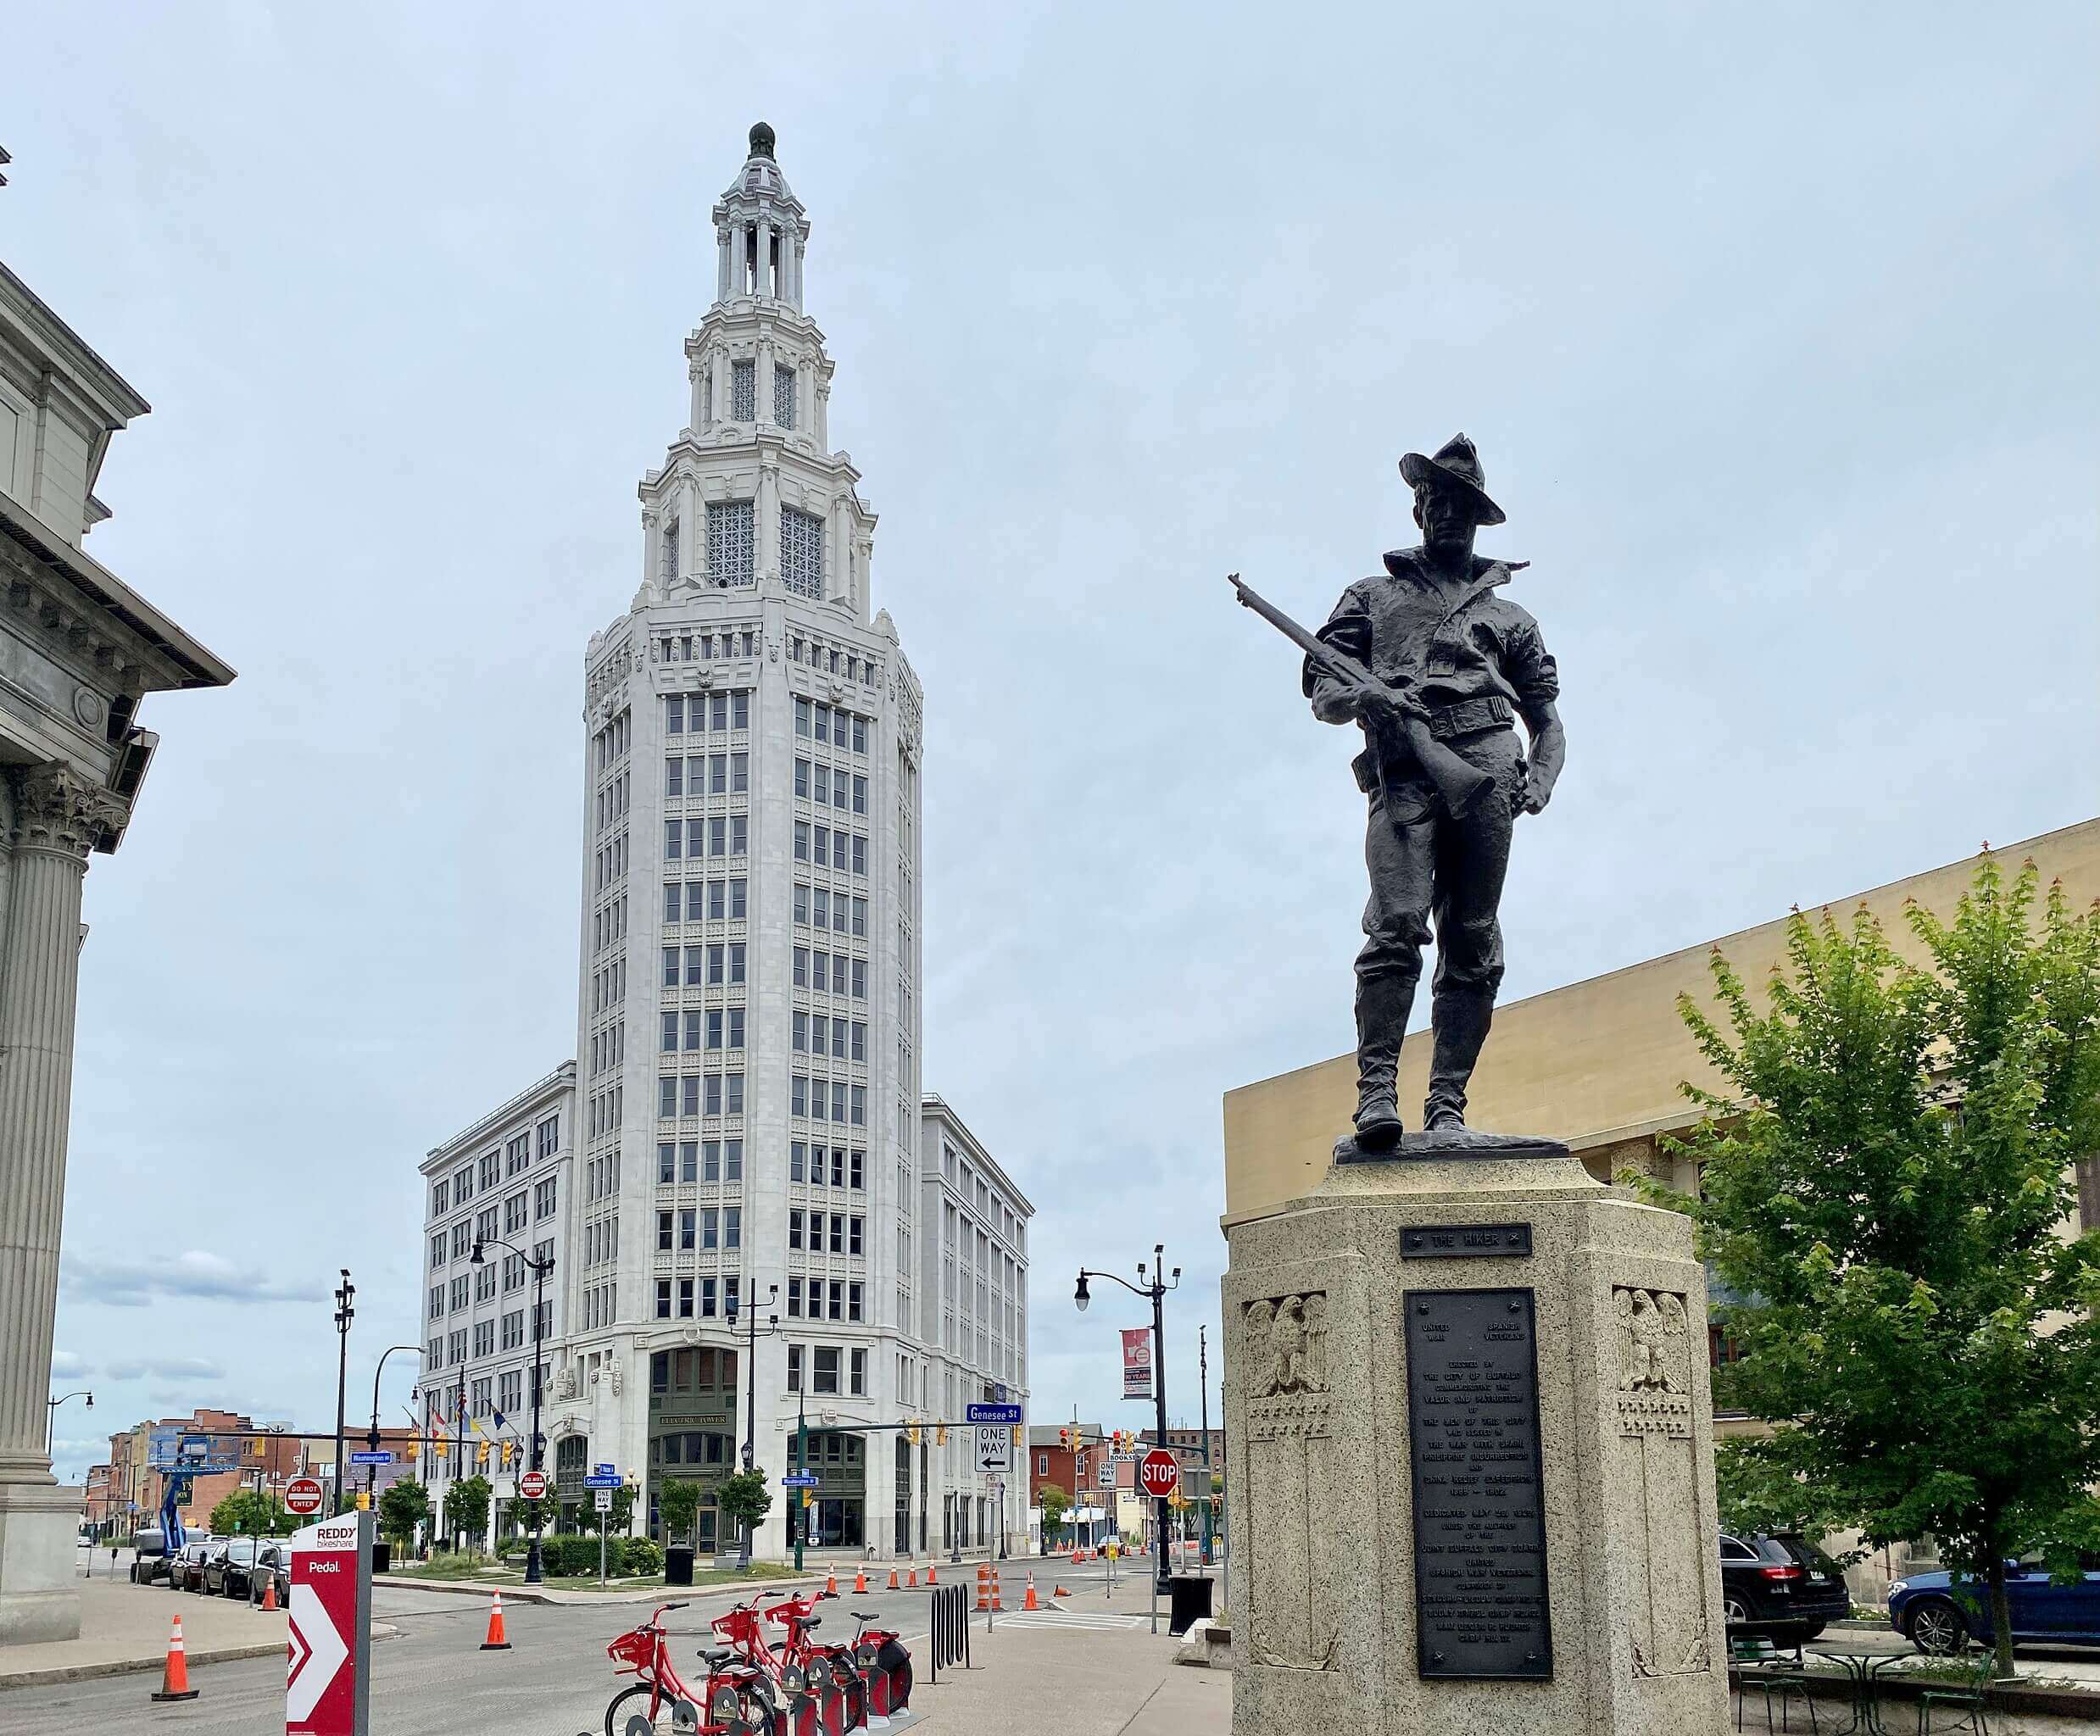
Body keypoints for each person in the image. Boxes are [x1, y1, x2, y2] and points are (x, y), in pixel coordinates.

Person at [1305, 434, 1567, 1146]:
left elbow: (1545, 722)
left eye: (1461, 504)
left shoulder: (1512, 619)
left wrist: (1537, 780)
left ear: (1478, 518)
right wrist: (1369, 700)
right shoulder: (1370, 595)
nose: (1446, 513)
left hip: (1487, 767)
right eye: (1434, 501)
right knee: (1395, 923)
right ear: (1417, 509)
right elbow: (1324, 692)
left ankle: (1446, 1108)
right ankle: (1375, 1096)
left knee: (1474, 938)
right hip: (1403, 770)